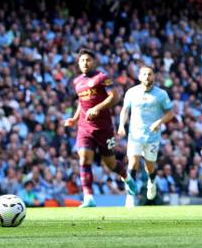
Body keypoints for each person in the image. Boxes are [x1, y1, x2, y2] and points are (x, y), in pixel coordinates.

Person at [63, 48, 137, 208]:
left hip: (103, 128)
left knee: (110, 164)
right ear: (78, 63)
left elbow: (115, 96)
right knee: (84, 159)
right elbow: (81, 103)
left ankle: (126, 176)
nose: (85, 63)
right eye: (82, 60)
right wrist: (75, 119)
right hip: (84, 128)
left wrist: (97, 108)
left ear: (94, 62)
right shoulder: (77, 82)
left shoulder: (101, 77)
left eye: (88, 60)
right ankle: (88, 197)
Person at [118, 65, 174, 207]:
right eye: (144, 74)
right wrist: (121, 126)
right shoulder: (131, 92)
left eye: (149, 74)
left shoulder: (161, 94)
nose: (147, 77)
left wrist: (159, 122)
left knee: (150, 166)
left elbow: (170, 113)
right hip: (135, 135)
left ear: (154, 76)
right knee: (133, 163)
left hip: (152, 137)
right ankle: (130, 195)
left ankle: (152, 181)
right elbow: (125, 110)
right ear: (139, 77)